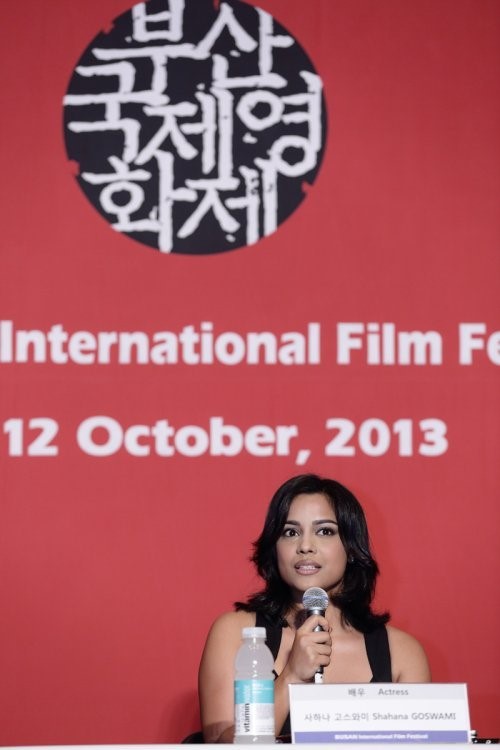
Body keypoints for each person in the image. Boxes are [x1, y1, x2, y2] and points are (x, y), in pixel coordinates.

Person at [198, 474, 430, 743]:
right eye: (290, 532)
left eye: (325, 531)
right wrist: (291, 676)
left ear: (351, 547)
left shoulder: (402, 653)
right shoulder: (238, 633)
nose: (305, 547)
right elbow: (219, 746)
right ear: (274, 547)